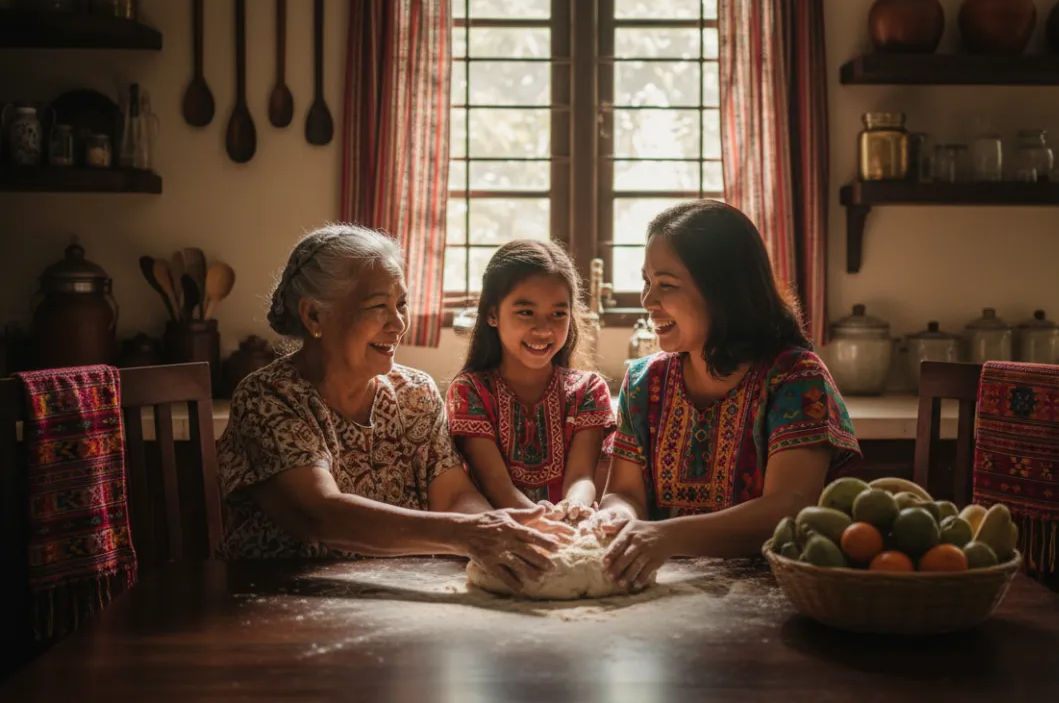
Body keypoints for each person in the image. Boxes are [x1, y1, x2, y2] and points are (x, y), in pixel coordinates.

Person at [216, 224, 571, 590]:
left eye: (401, 304)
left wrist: (503, 534)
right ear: (314, 316)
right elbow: (320, 515)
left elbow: (453, 495)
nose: (398, 323)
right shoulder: (269, 397)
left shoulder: (414, 392)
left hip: (391, 594)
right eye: (377, 307)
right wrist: (469, 533)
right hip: (277, 602)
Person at [595, 200, 861, 590]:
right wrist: (617, 517)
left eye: (666, 285)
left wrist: (666, 536)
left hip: (773, 595)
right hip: (662, 592)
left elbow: (788, 508)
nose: (648, 301)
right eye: (647, 282)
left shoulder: (795, 379)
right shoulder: (641, 383)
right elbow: (622, 492)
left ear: (724, 291)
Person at [446, 240, 616, 523]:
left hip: (566, 528)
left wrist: (573, 508)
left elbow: (581, 476)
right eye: (526, 312)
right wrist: (540, 522)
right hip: (500, 536)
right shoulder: (470, 391)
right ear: (492, 314)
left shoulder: (588, 389)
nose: (543, 329)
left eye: (558, 314)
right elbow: (497, 487)